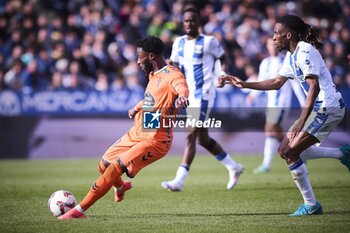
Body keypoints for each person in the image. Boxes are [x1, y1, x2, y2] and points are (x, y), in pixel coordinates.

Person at [222, 15, 350, 216]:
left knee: (291, 152)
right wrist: (244, 84)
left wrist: (301, 119)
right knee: (285, 150)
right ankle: (343, 154)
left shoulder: (305, 51)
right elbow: (276, 82)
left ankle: (311, 205)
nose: (273, 38)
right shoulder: (291, 56)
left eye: (276, 33)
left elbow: (314, 87)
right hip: (320, 108)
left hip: (328, 108)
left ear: (288, 34)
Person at [58, 36, 190, 219]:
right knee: (103, 165)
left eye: (139, 56)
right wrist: (137, 107)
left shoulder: (173, 75)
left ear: (151, 56)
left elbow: (181, 86)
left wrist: (183, 96)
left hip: (155, 140)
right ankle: (120, 186)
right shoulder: (153, 75)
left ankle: (78, 211)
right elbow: (154, 99)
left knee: (114, 168)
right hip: (137, 132)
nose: (137, 61)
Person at [161, 7, 244, 192]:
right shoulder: (178, 43)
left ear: (199, 23)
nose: (189, 23)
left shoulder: (209, 42)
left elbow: (223, 57)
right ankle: (234, 167)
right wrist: (169, 66)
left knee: (190, 134)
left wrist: (222, 73)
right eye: (186, 21)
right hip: (187, 95)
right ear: (182, 24)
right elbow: (174, 63)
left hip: (204, 94)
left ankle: (179, 181)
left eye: (193, 20)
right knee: (202, 139)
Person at [247, 38, 306, 174]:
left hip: (281, 104)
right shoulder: (265, 62)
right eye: (269, 45)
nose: (272, 47)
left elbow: (295, 84)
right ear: (266, 46)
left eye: (274, 45)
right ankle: (299, 150)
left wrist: (304, 102)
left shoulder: (285, 61)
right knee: (277, 133)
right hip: (271, 103)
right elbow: (261, 81)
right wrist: (252, 95)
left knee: (269, 129)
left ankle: (266, 165)